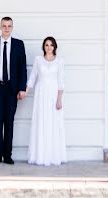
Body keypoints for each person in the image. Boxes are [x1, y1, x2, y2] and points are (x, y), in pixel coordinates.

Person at [0, 16, 27, 164]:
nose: (6, 28)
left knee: (9, 122)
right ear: (0, 27)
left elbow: (22, 68)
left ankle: (7, 155)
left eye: (9, 26)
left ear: (12, 27)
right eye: (4, 26)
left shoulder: (19, 45)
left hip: (12, 89)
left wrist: (22, 88)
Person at [25, 36, 67, 166]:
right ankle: (40, 155)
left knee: (53, 123)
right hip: (41, 94)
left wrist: (59, 100)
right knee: (41, 122)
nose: (49, 47)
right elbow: (32, 78)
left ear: (55, 47)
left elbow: (61, 82)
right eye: (46, 45)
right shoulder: (38, 60)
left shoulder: (59, 61)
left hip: (53, 95)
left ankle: (53, 155)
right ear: (44, 47)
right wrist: (25, 92)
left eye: (51, 45)